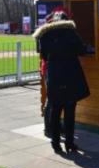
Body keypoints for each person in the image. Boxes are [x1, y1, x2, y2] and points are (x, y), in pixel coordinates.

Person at [33, 10, 90, 153]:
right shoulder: (70, 32)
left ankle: (55, 143)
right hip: (71, 74)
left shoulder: (44, 34)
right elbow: (82, 50)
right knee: (70, 110)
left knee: (55, 109)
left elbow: (43, 55)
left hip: (54, 75)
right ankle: (69, 143)